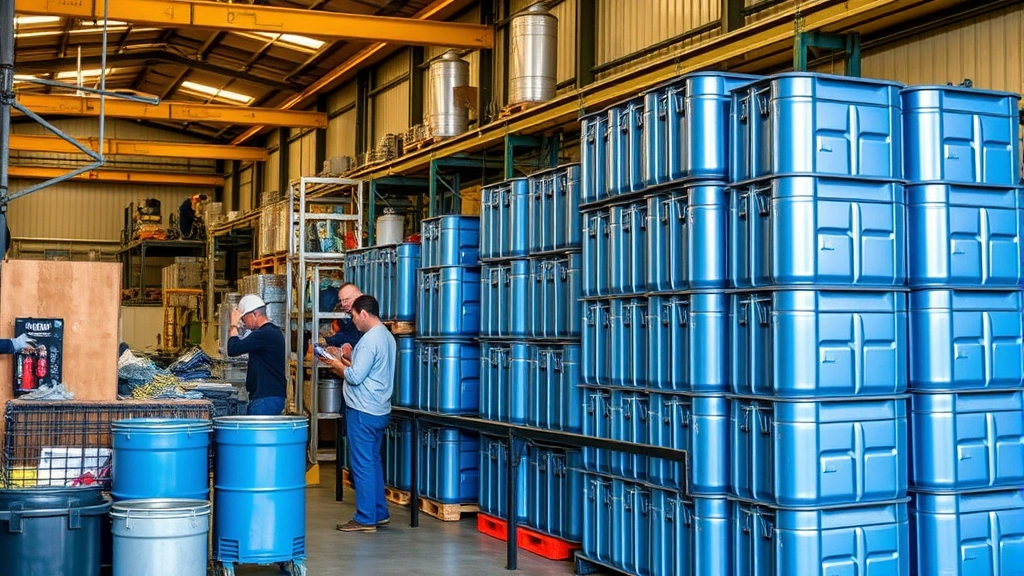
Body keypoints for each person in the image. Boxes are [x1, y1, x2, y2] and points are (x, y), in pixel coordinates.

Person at [322, 295, 395, 533]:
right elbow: (368, 368)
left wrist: (334, 364)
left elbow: (354, 377)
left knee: (362, 464)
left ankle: (365, 518)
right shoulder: (385, 336)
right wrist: (348, 357)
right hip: (379, 408)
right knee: (372, 462)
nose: (353, 322)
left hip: (363, 410)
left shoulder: (371, 339)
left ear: (363, 313)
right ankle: (379, 511)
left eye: (353, 316)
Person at [227, 294, 287, 416]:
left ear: (255, 314)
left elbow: (233, 349)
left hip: (265, 398)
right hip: (269, 396)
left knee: (258, 434)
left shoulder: (264, 334)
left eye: (244, 319)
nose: (243, 323)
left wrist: (234, 325)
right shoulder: (272, 332)